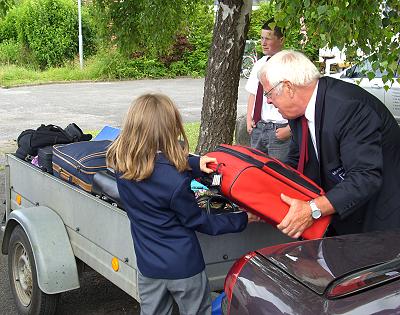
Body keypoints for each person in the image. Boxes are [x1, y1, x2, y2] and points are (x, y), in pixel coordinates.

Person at [106, 93, 258, 315]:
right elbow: (201, 221)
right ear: (171, 128)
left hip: (148, 265)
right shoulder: (177, 183)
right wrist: (243, 218)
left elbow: (156, 161)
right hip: (184, 267)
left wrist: (194, 162)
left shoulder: (122, 165)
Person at [258, 50, 400, 238]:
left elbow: (365, 177)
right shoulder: (297, 113)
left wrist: (313, 209)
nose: (267, 100)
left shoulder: (348, 108)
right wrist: (263, 198)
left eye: (268, 93)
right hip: (343, 215)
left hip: (378, 221)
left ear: (288, 87)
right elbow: (294, 164)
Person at [245, 18, 291, 160]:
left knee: (279, 174)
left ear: (281, 40)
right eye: (262, 38)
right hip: (258, 128)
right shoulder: (259, 64)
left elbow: (300, 100)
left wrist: (290, 130)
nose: (263, 43)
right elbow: (253, 93)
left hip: (279, 130)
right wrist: (249, 119)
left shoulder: (289, 65)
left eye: (268, 39)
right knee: (257, 171)